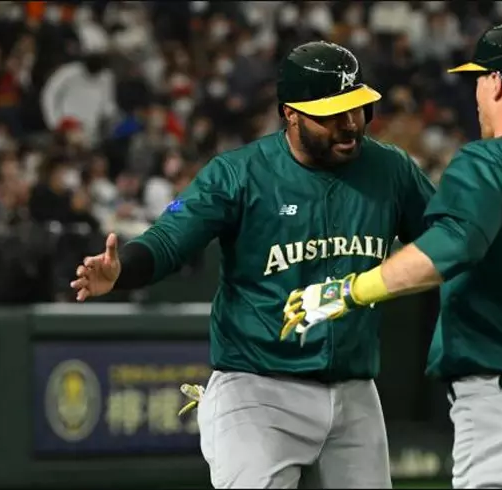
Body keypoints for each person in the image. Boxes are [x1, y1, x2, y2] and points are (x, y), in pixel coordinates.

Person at [280, 22, 502, 489]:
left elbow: (448, 248)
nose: (476, 90)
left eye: (480, 78)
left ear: (497, 83)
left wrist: (350, 290)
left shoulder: (489, 161)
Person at [69, 41, 435, 489]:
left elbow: (445, 242)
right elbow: (169, 239)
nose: (350, 126)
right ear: (290, 114)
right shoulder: (237, 173)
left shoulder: (390, 169)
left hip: (355, 389)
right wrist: (122, 267)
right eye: (332, 114)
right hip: (259, 387)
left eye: (357, 108)